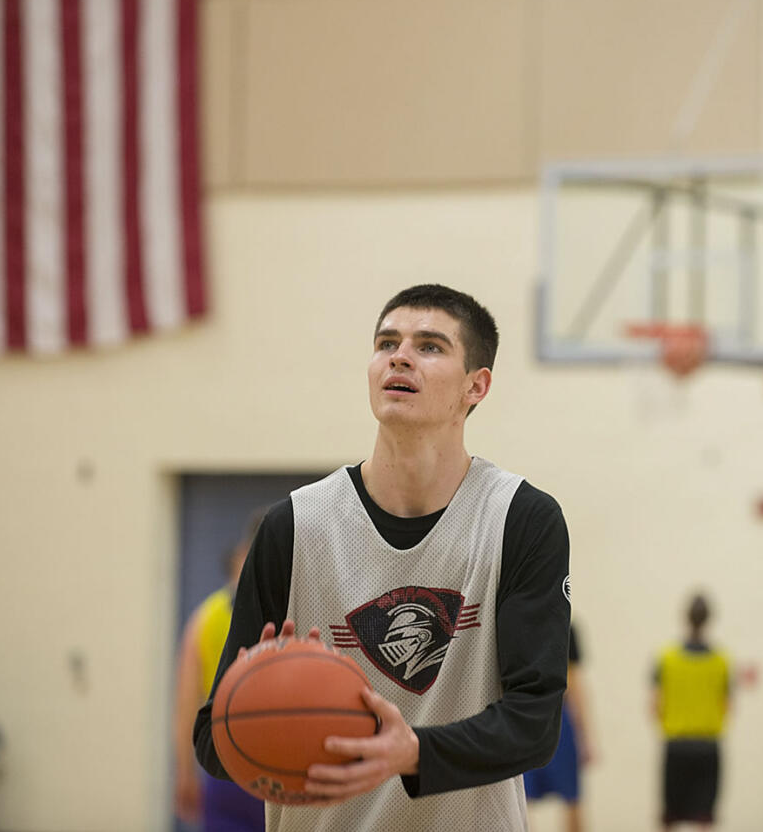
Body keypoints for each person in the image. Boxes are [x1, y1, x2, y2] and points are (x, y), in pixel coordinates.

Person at [193, 284, 571, 831]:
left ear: (476, 386)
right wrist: (263, 698)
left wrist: (410, 751)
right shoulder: (293, 526)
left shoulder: (521, 519)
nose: (400, 355)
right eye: (386, 342)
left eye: (430, 346)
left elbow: (535, 724)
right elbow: (212, 741)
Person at [174, 527, 265, 832]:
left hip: (226, 760)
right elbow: (188, 703)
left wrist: (184, 772)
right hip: (272, 761)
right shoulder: (289, 610)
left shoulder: (203, 616)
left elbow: (186, 705)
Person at [651, 594, 729, 831]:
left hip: (676, 745)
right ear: (708, 620)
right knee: (704, 818)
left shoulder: (667, 657)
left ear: (686, 618)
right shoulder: (721, 661)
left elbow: (655, 704)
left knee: (670, 817)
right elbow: (727, 705)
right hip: (707, 745)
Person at [524, 622, 595, 832]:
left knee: (568, 796)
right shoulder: (560, 624)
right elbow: (575, 684)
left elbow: (574, 683)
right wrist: (585, 737)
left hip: (539, 716)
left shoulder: (562, 626)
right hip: (535, 717)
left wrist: (584, 736)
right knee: (566, 798)